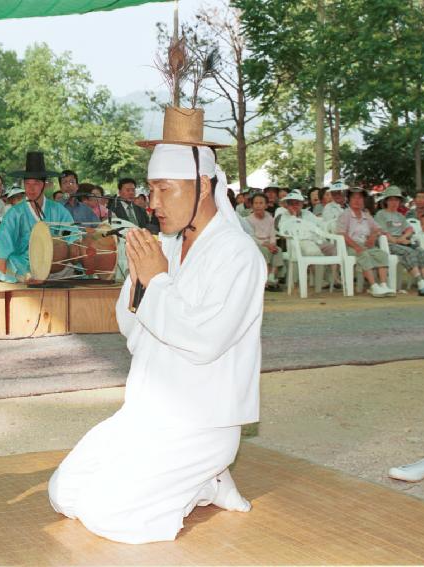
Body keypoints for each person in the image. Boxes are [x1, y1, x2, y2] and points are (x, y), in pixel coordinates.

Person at [49, 105, 264, 544]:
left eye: (166, 189)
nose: (154, 203)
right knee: (65, 494)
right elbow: (132, 332)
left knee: (109, 515)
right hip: (148, 412)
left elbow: (205, 342)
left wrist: (156, 280)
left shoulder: (239, 256)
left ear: (204, 186)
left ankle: (203, 474)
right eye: (151, 189)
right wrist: (145, 281)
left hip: (202, 421)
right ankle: (204, 483)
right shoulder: (163, 246)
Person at [0, 151, 79, 282]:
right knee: (8, 264)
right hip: (24, 264)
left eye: (36, 183)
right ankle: (27, 278)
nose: (31, 188)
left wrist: (71, 248)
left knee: (74, 267)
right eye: (27, 183)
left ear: (44, 185)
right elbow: (2, 249)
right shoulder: (15, 213)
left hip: (55, 263)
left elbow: (72, 236)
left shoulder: (58, 210)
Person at [374, 187, 424, 295]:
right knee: (408, 251)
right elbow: (382, 232)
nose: (394, 202)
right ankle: (420, 282)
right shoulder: (381, 214)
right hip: (387, 243)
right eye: (391, 199)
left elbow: (410, 229)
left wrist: (404, 237)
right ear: (386, 201)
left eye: (396, 200)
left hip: (400, 241)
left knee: (420, 251)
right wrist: (397, 241)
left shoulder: (400, 216)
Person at [336, 187, 394, 297]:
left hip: (367, 245)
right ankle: (373, 286)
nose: (357, 200)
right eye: (354, 198)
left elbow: (378, 229)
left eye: (360, 198)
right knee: (364, 254)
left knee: (382, 254)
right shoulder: (345, 215)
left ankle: (383, 284)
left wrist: (373, 236)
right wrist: (356, 246)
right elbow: (342, 234)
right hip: (350, 246)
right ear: (349, 200)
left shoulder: (366, 215)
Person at [246, 193, 282, 290]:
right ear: (252, 205)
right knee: (265, 251)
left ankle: (272, 276)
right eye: (256, 203)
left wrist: (273, 244)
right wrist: (266, 244)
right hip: (257, 244)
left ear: (266, 205)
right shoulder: (248, 220)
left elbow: (272, 234)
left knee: (278, 250)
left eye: (261, 203)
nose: (258, 205)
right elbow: (251, 237)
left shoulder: (270, 218)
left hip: (269, 243)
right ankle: (265, 279)